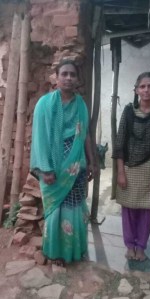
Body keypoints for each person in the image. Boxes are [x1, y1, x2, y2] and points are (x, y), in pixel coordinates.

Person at [30, 60, 94, 265]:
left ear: (77, 79)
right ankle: (56, 253)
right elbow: (39, 138)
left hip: (76, 168)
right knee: (55, 211)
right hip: (53, 169)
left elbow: (85, 135)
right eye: (64, 74)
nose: (68, 78)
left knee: (75, 209)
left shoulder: (81, 105)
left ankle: (75, 251)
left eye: (72, 74)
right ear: (56, 78)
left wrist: (92, 161)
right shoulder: (44, 104)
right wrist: (45, 169)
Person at [113, 72, 150, 261]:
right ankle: (130, 245)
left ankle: (141, 247)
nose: (146, 90)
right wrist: (120, 172)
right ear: (136, 90)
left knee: (145, 210)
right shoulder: (129, 112)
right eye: (142, 86)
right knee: (128, 209)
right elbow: (120, 143)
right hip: (129, 168)